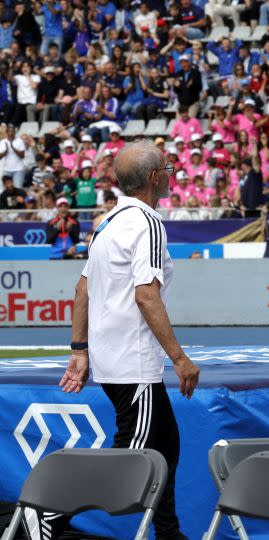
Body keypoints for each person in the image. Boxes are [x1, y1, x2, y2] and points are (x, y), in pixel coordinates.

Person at [58, 140, 199, 540]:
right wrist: (180, 358)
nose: (171, 176)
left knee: (166, 444)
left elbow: (82, 289)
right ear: (155, 178)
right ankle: (47, 515)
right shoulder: (148, 222)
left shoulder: (107, 222)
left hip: (115, 359)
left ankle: (168, 532)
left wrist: (79, 350)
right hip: (133, 363)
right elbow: (146, 294)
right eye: (168, 170)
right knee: (127, 457)